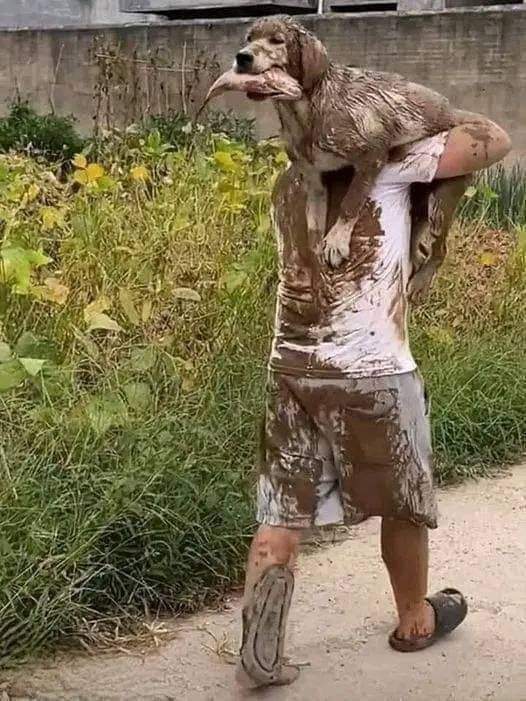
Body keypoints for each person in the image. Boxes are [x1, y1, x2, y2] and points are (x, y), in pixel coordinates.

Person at [236, 121, 512, 688]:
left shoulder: (290, 178)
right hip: (374, 373)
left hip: (292, 367)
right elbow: (492, 139)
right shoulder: (389, 169)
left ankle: (259, 654)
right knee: (403, 504)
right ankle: (414, 619)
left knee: (281, 511)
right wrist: (409, 119)